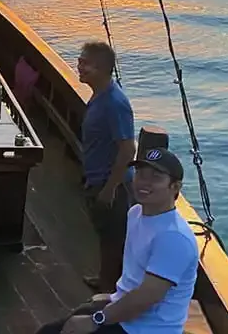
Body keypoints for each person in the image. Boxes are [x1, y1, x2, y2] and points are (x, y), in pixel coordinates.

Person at [36, 149, 199, 334]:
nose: (144, 182)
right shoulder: (136, 213)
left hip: (147, 329)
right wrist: (112, 298)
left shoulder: (174, 237)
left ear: (175, 187)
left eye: (155, 177)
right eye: (141, 174)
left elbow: (146, 297)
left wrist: (97, 319)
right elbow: (134, 276)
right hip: (124, 315)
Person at [78, 41, 137, 293]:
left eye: (84, 64)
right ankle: (105, 278)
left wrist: (110, 188)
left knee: (113, 239)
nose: (78, 67)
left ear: (101, 68)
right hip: (96, 178)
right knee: (104, 235)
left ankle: (108, 291)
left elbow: (128, 149)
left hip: (111, 183)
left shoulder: (115, 103)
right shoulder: (100, 95)